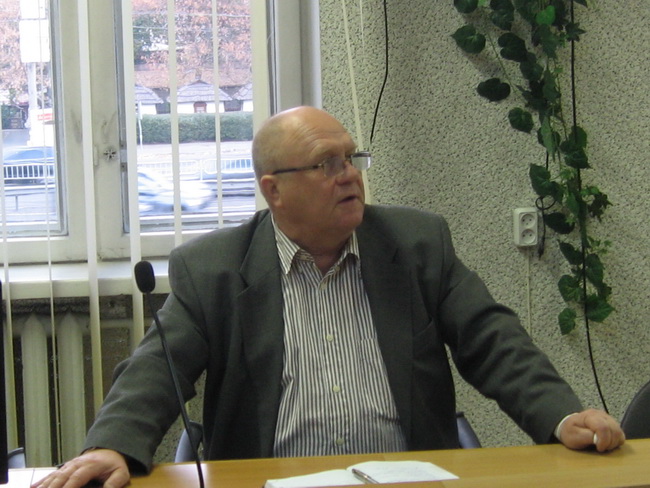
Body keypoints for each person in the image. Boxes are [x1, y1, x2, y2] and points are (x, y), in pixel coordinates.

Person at [32, 106, 625, 488]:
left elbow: (493, 340)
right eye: (326, 163)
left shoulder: (416, 244)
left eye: (351, 158)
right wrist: (112, 447)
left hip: (408, 480)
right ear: (274, 191)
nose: (350, 175)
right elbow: (156, 371)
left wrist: (561, 415)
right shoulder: (213, 269)